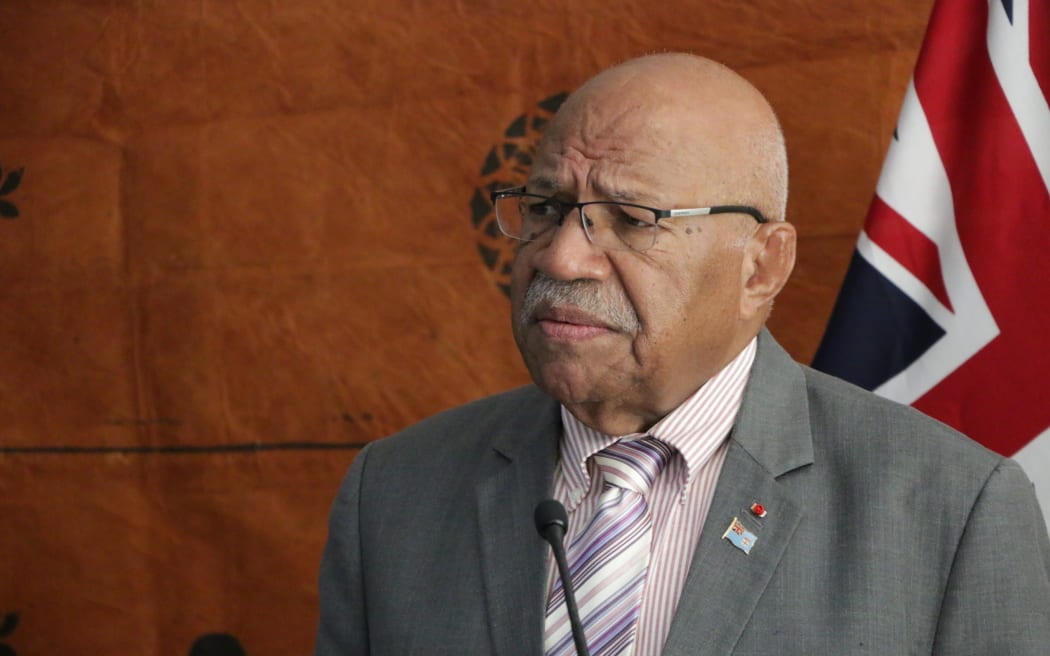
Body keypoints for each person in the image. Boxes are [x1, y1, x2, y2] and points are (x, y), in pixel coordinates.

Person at [314, 53, 1050, 655]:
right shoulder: (394, 492)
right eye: (545, 209)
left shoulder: (950, 510)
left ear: (761, 267)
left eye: (633, 220)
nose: (563, 258)